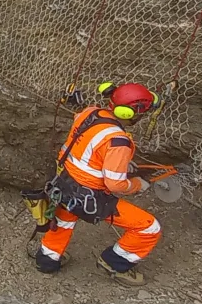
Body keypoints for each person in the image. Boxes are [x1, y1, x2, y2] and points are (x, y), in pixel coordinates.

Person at [34, 82, 164, 285]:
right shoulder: (118, 141)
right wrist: (138, 184)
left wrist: (118, 162)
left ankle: (47, 260)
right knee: (148, 228)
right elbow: (115, 185)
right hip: (91, 197)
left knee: (64, 220)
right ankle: (115, 262)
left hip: (64, 183)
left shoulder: (89, 113)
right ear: (130, 113)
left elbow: (89, 144)